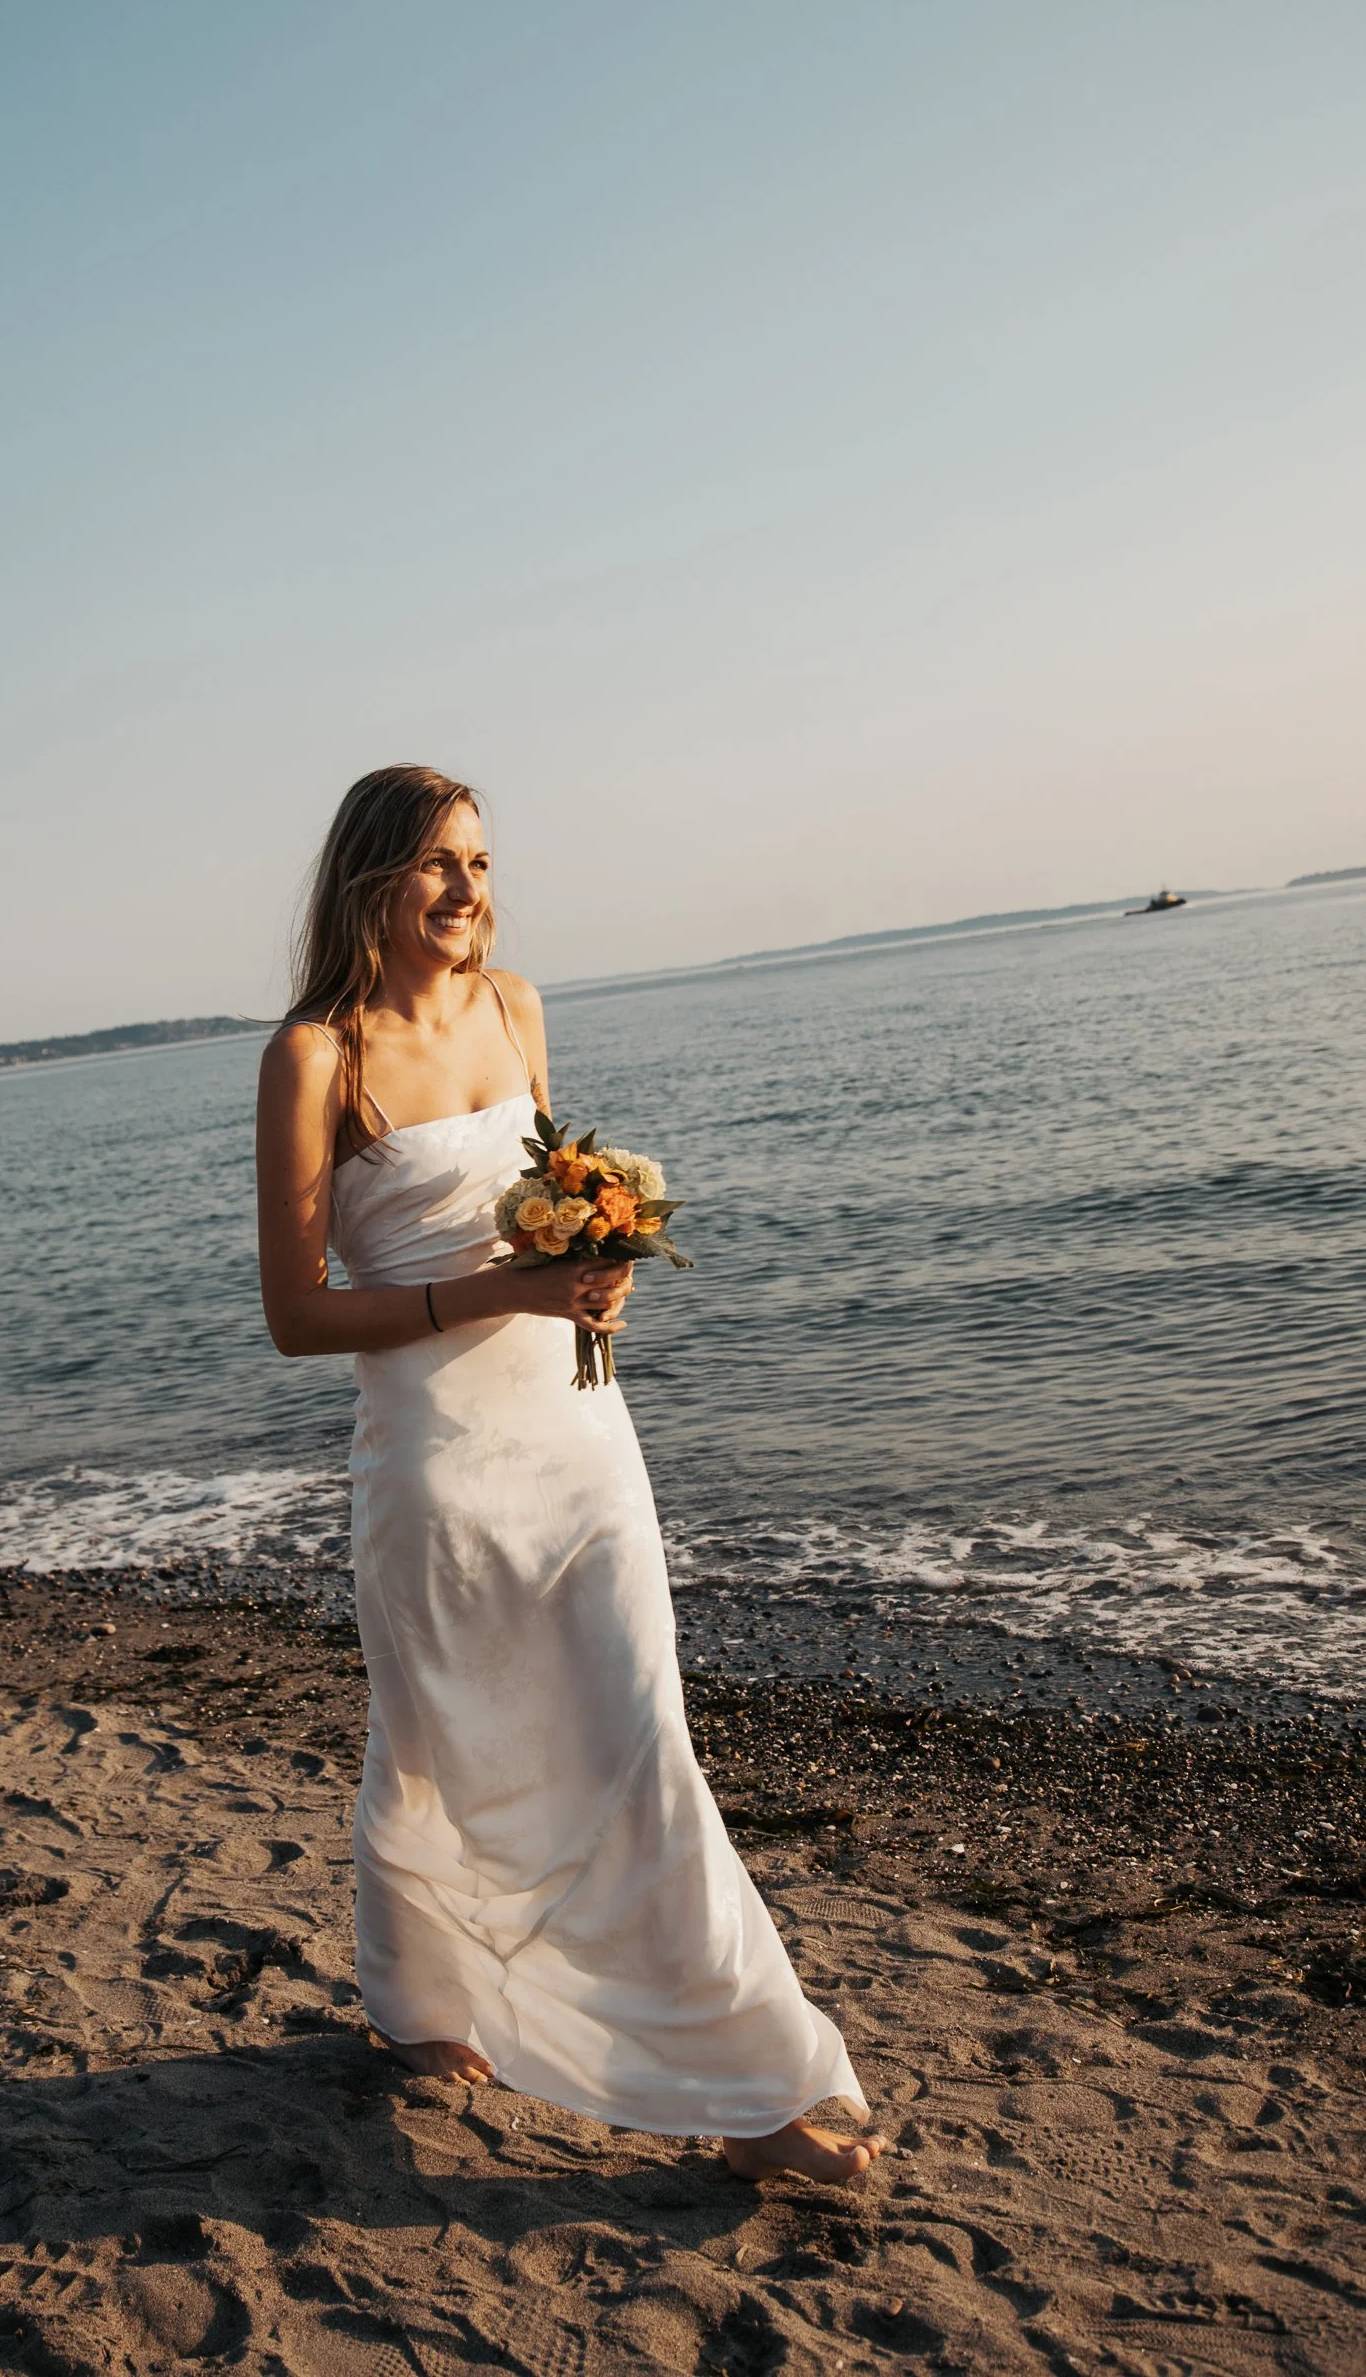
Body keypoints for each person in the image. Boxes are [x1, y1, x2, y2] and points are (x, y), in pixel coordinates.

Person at [256, 764, 882, 2183]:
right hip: (436, 1462)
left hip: (580, 1436)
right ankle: (426, 2006)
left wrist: (599, 1278)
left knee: (632, 1735)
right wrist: (508, 1292)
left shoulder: (515, 1007)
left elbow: (549, 1222)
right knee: (434, 1736)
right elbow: (297, 1316)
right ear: (368, 882)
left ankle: (740, 2097)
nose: (468, 892)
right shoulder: (315, 1058)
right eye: (435, 866)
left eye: (479, 862)